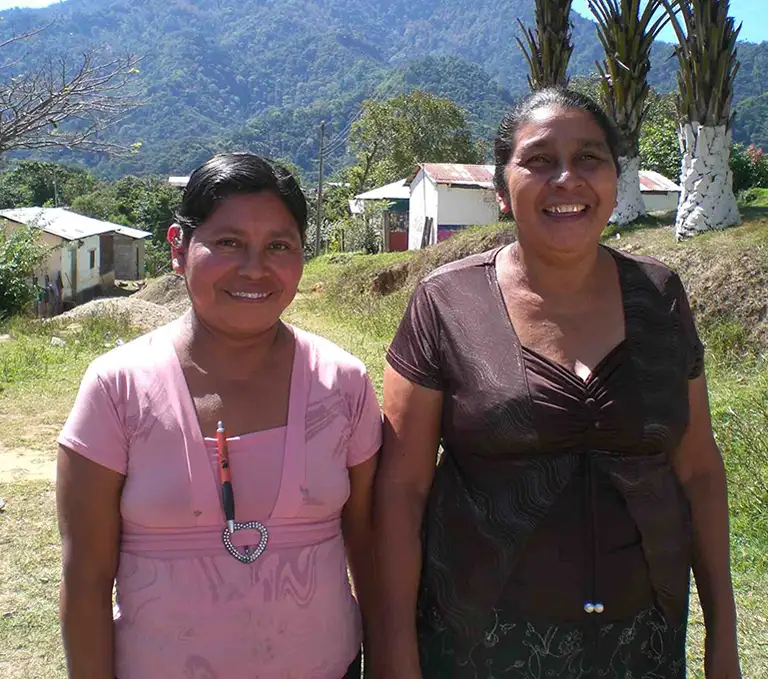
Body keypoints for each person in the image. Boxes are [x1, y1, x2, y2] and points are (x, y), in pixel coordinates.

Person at [371, 88, 741, 679]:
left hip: (641, 641)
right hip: (479, 643)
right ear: (500, 189)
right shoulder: (448, 301)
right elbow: (402, 489)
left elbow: (697, 468)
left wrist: (724, 637)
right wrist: (393, 648)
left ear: (616, 181)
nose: (567, 179)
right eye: (539, 160)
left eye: (590, 158)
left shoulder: (660, 297)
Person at [56, 153, 381, 679]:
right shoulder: (117, 388)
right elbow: (86, 577)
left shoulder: (343, 385)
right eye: (228, 242)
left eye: (279, 245)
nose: (255, 268)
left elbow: (368, 546)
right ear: (178, 249)